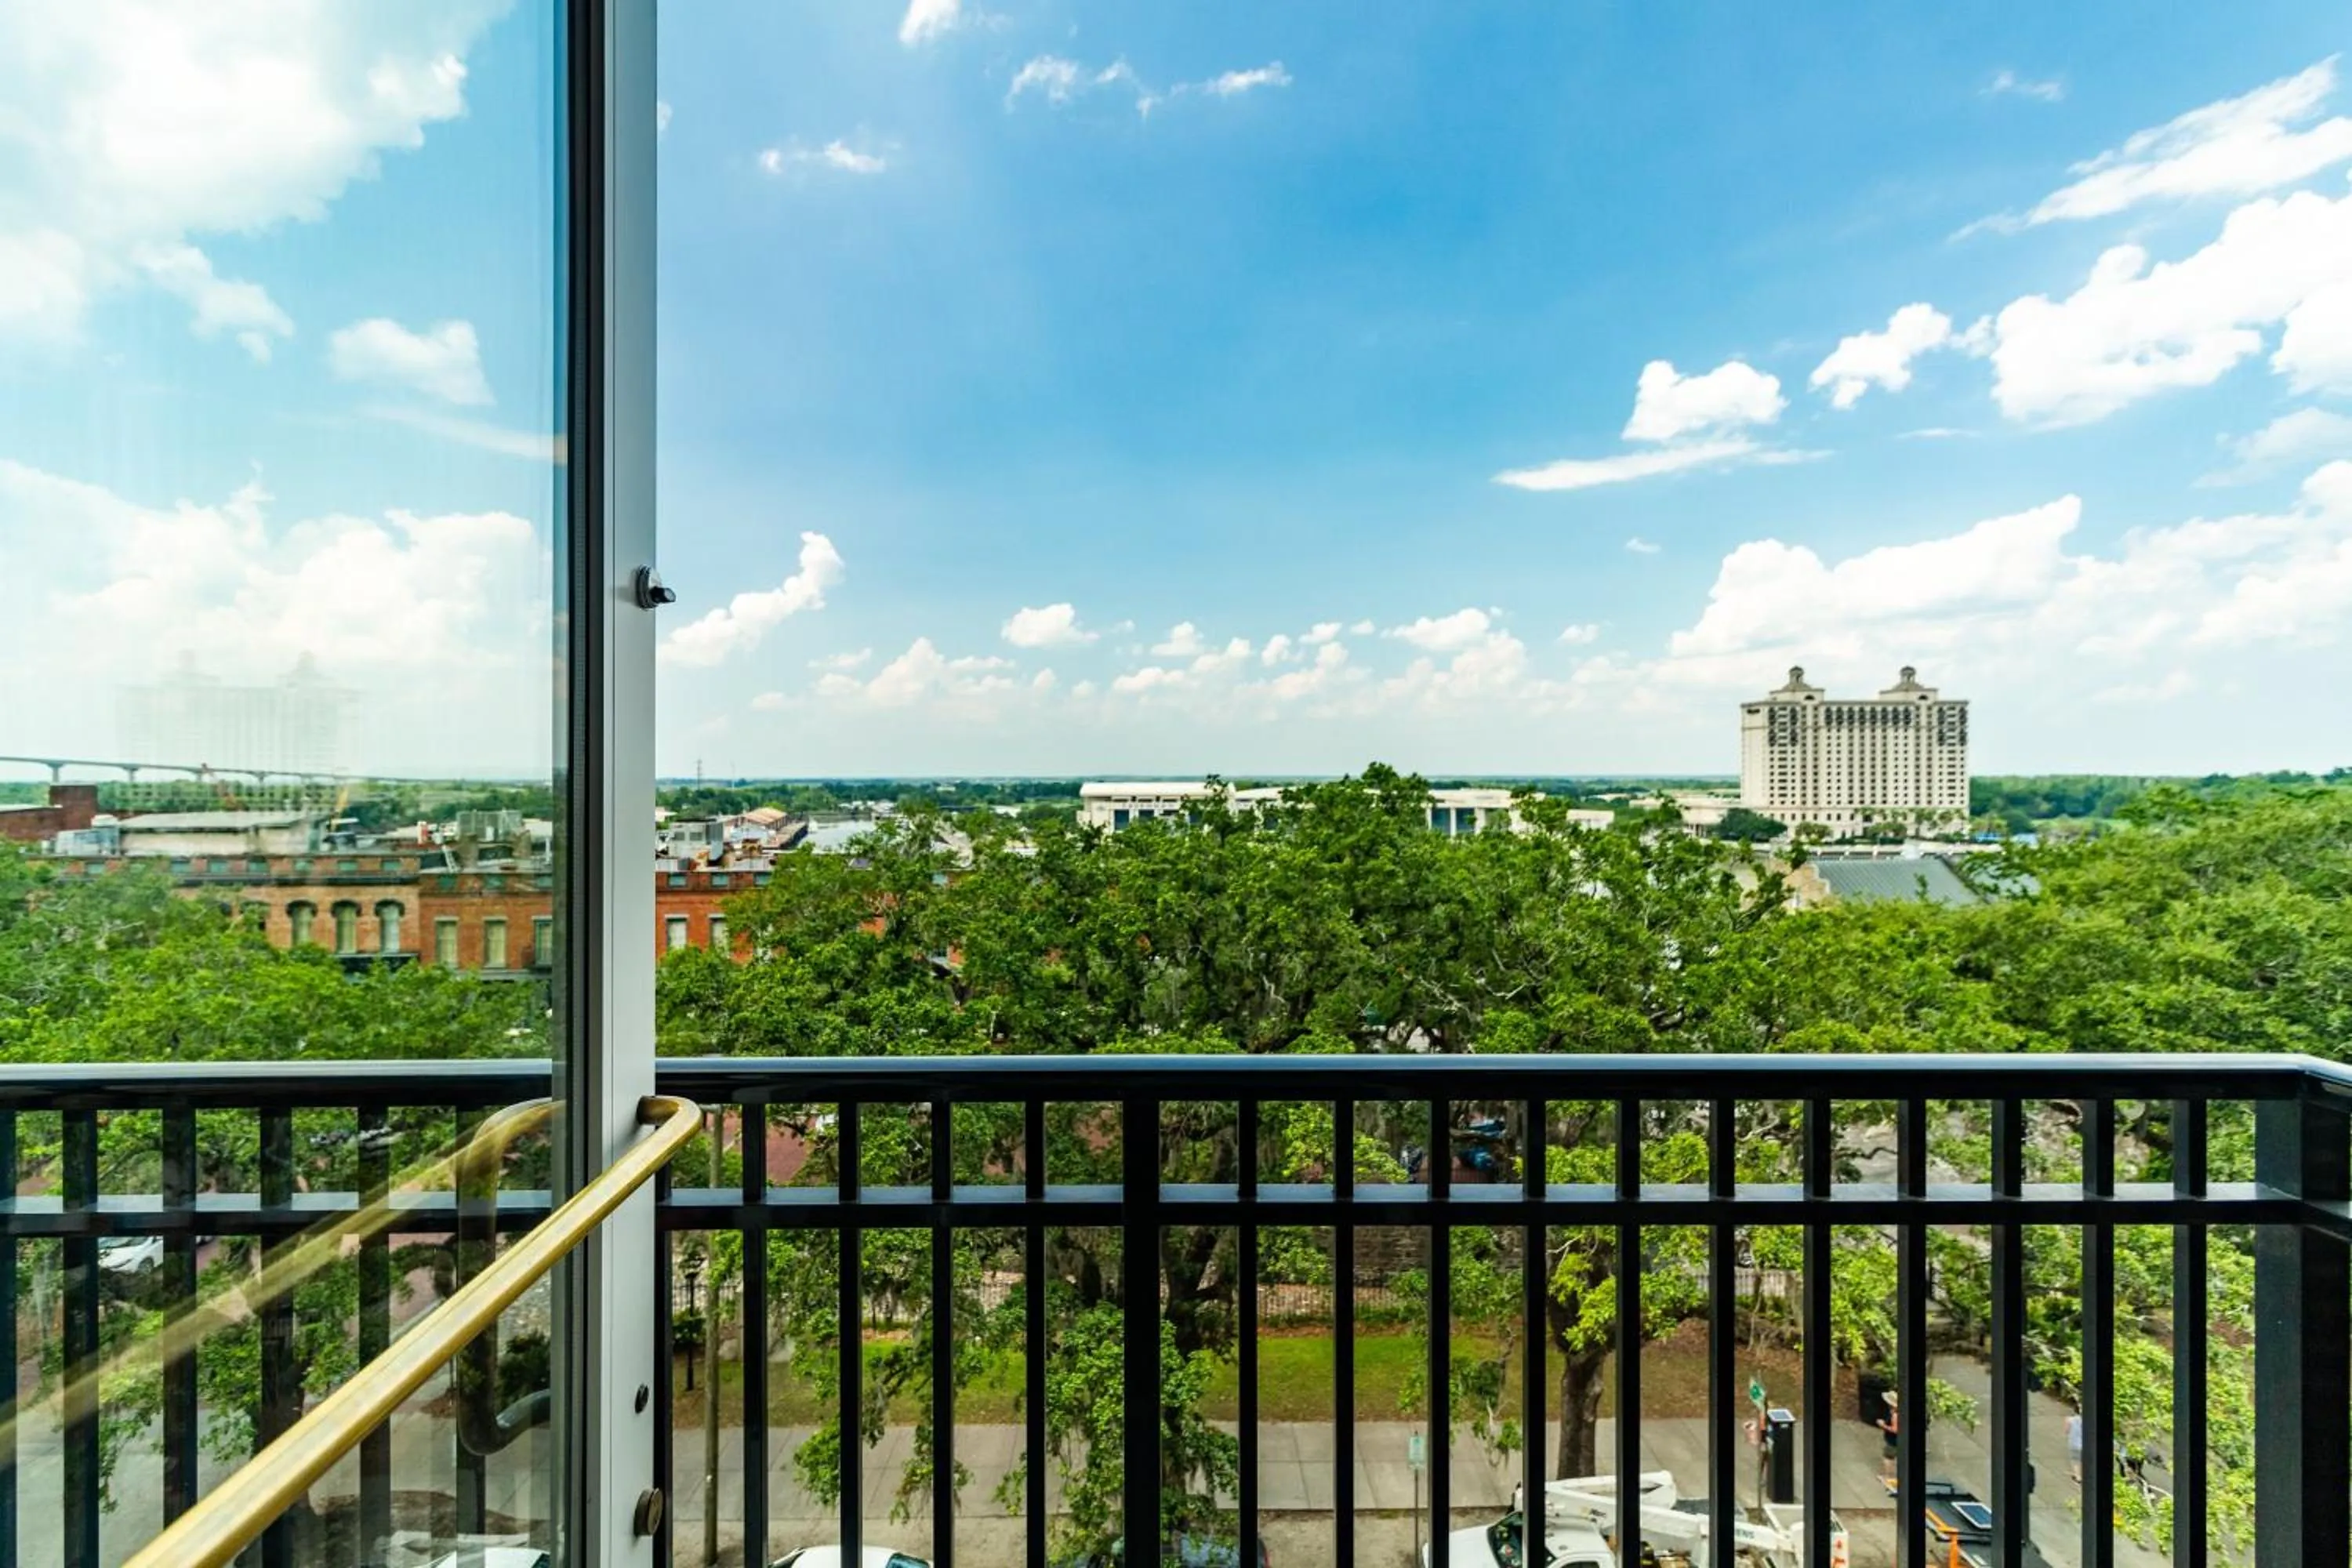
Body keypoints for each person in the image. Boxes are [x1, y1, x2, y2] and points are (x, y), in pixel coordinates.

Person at [1877, 1391, 1900, 1480]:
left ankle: (1887, 1477)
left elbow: (1895, 1430)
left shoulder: (1895, 1415)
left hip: (1893, 1441)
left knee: (1887, 1458)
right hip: (1896, 1441)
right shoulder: (1896, 1412)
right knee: (1893, 1458)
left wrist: (1883, 1425)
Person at [2066, 1409, 2085, 1483]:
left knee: (2075, 1461)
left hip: (2074, 1443)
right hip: (2085, 1443)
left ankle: (2078, 1477)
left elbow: (2066, 1431)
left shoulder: (2069, 1420)